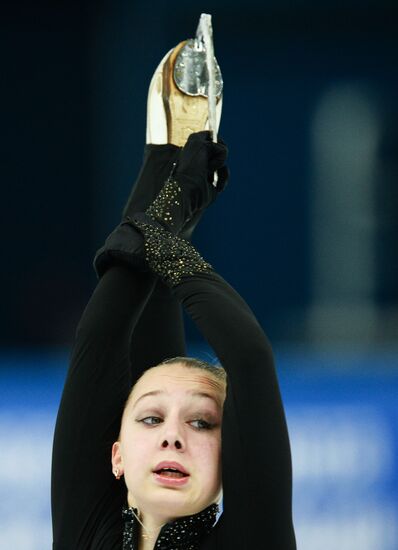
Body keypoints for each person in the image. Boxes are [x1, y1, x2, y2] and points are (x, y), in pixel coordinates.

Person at [51, 39, 296, 550]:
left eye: (203, 421)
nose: (172, 436)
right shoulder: (86, 531)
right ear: (116, 455)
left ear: (233, 457)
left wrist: (166, 213)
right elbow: (103, 346)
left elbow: (247, 359)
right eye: (150, 418)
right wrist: (165, 221)